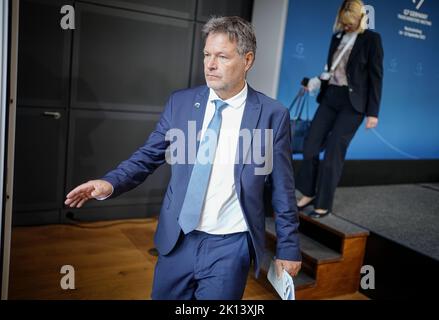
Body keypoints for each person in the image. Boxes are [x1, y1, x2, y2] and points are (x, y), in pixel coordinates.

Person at [65, 16, 301, 300]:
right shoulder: (182, 103)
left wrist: (288, 247)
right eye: (207, 55)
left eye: (222, 56)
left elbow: (283, 189)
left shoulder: (272, 115)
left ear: (247, 60)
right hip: (177, 240)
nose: (210, 65)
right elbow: (147, 156)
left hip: (229, 246)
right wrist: (109, 183)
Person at [296, 0, 384, 218]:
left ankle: (323, 203)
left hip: (353, 104)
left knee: (334, 151)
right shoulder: (336, 37)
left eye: (350, 23)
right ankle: (308, 192)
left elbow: (376, 77)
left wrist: (373, 112)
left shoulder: (371, 40)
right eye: (343, 22)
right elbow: (330, 70)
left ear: (360, 19)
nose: (346, 26)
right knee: (310, 145)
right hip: (331, 97)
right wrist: (314, 82)